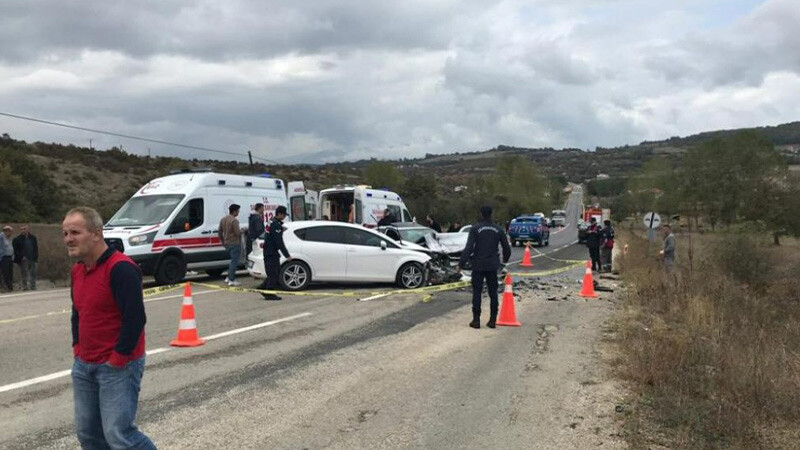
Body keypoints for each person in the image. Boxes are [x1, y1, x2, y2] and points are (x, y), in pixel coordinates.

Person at [63, 207, 156, 450]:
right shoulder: (77, 271)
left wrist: (118, 359)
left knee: (119, 435)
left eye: (75, 232)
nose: (68, 239)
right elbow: (78, 313)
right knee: (88, 435)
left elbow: (135, 319)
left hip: (118, 367)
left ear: (96, 234)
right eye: (65, 233)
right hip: (85, 365)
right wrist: (77, 349)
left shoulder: (121, 269)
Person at [458, 206, 512, 329]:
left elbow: (469, 248)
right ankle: (492, 320)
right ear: (491, 214)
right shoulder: (498, 229)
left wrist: (461, 264)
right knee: (493, 293)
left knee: (477, 292)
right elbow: (506, 248)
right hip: (493, 265)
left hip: (478, 264)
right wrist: (504, 261)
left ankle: (476, 320)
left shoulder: (475, 229)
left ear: (481, 214)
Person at [258, 206, 291, 300]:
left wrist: (280, 228)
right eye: (284, 215)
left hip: (268, 250)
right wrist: (287, 255)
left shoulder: (271, 221)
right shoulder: (276, 225)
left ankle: (262, 288)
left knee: (273, 272)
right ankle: (269, 293)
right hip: (271, 252)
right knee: (274, 274)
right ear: (280, 214)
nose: (284, 217)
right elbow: (279, 242)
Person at [218, 204, 242, 286]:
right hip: (235, 243)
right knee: (234, 262)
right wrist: (243, 230)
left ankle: (228, 277)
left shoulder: (223, 219)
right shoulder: (234, 221)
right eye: (238, 211)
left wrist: (222, 241)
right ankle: (232, 279)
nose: (238, 213)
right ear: (234, 211)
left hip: (227, 243)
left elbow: (219, 232)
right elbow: (237, 233)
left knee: (232, 261)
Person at [13, 224, 38, 290]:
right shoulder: (17, 239)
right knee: (24, 273)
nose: (23, 230)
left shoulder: (33, 238)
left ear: (28, 229)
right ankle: (25, 286)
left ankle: (33, 286)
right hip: (23, 259)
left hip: (32, 258)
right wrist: (20, 257)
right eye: (22, 229)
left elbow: (35, 248)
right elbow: (15, 250)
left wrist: (36, 258)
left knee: (33, 273)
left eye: (24, 229)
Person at [0, 225, 13, 292]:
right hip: (4, 257)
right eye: (8, 231)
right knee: (4, 273)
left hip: (10, 257)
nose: (10, 233)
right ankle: (4, 287)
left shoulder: (9, 238)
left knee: (10, 273)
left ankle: (10, 287)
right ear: (5, 231)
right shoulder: (1, 238)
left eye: (10, 231)